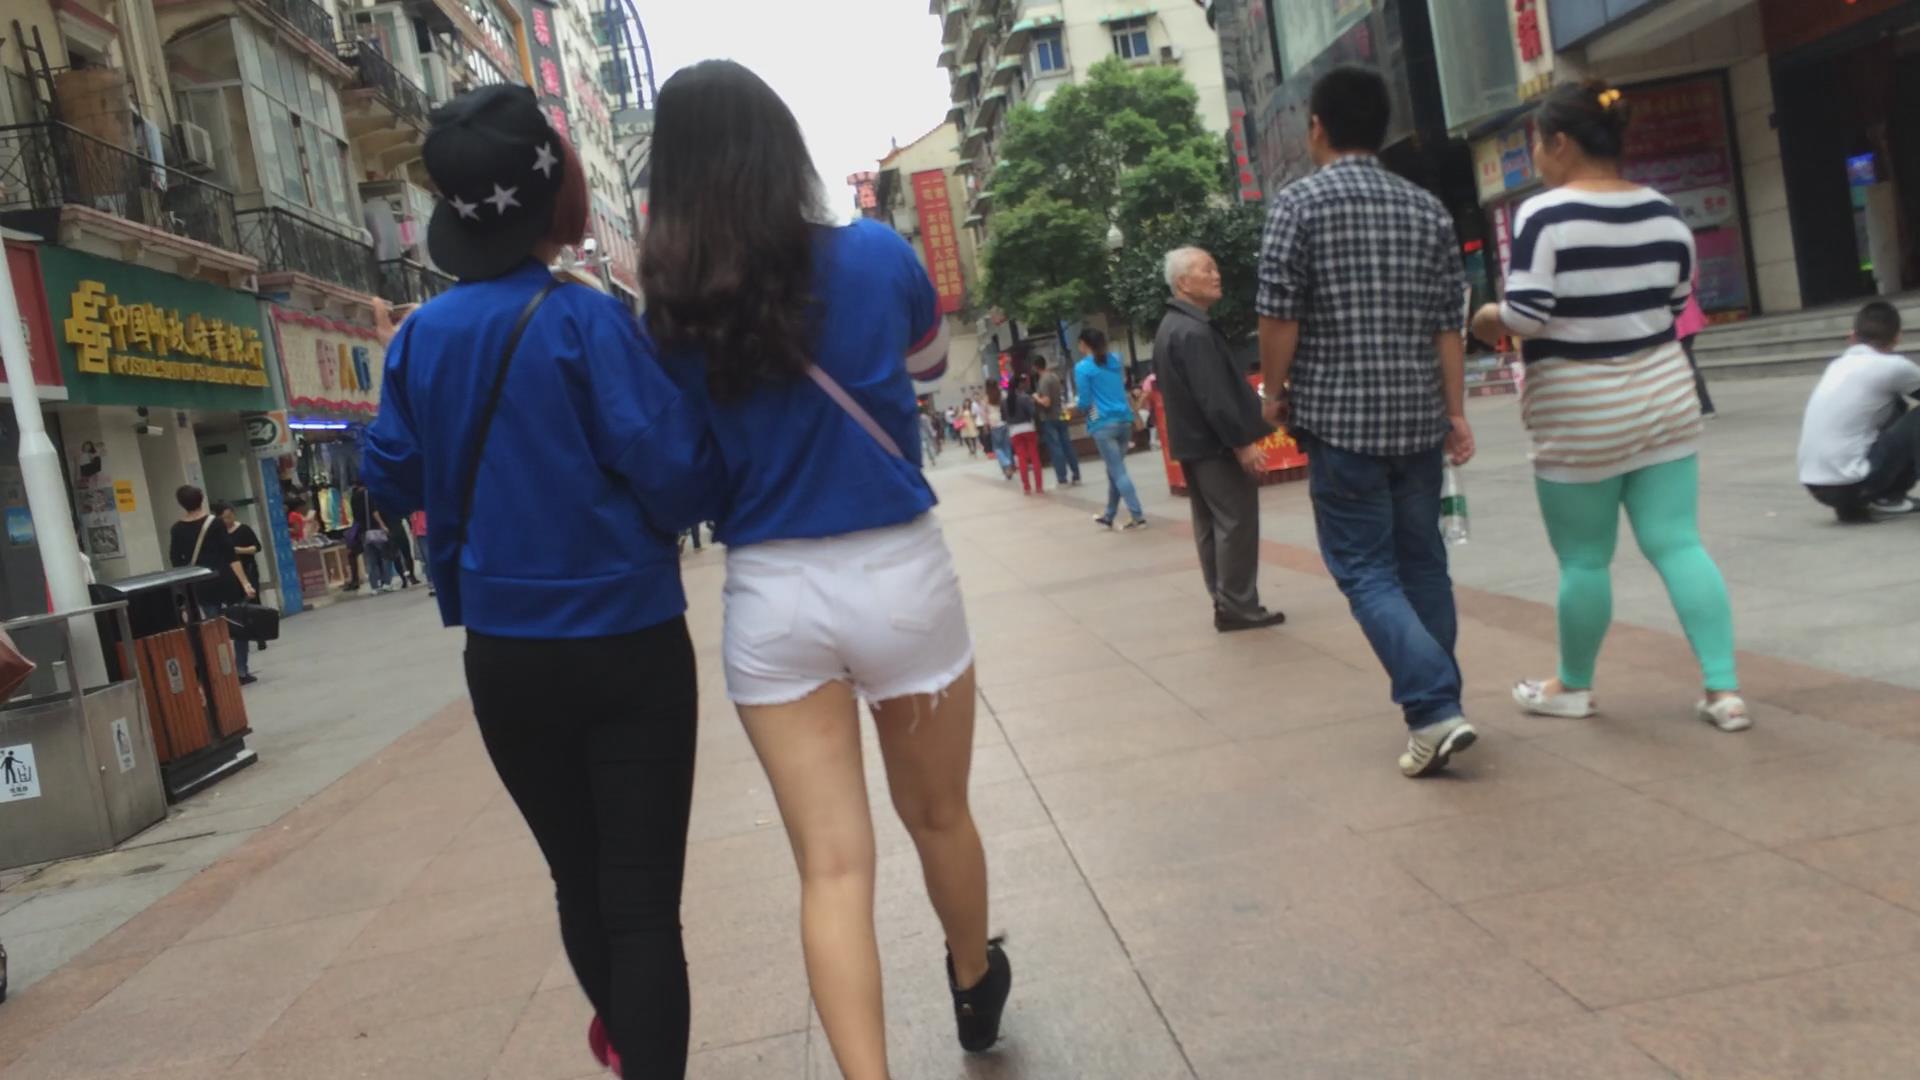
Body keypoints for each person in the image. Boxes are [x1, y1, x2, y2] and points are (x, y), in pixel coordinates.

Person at [641, 60, 1008, 1080]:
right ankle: (974, 980)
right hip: (899, 576)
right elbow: (928, 372)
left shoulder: (671, 310)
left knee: (833, 869)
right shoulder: (880, 254)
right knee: (939, 814)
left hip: (773, 596)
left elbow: (681, 462)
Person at [361, 84, 720, 1078]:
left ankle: (628, 1039)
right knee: (643, 905)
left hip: (508, 658)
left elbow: (390, 476)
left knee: (579, 880)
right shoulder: (589, 323)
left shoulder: (421, 338)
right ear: (555, 190)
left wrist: (407, 374)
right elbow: (682, 479)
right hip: (631, 643)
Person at [1470, 79, 1747, 734]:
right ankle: (1724, 690)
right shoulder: (1666, 213)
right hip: (1665, 400)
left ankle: (1572, 685)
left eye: (1540, 143)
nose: (1539, 156)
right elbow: (1675, 306)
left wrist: (1485, 318)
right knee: (1679, 544)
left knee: (1584, 560)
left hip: (1579, 413)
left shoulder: (1544, 215)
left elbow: (1526, 314)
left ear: (1561, 143)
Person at [1260, 67, 1479, 777]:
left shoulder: (1297, 205)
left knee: (1365, 570)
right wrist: (1455, 413)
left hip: (1340, 423)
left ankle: (1435, 709)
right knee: (1423, 564)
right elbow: (1449, 325)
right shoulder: (1427, 209)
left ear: (1317, 127)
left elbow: (1279, 315)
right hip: (1417, 421)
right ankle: (1443, 705)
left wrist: (1274, 394)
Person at [1158, 249, 1285, 631]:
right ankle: (1238, 605)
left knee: (1211, 525)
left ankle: (1226, 600)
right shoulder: (1194, 332)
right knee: (1235, 523)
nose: (1216, 275)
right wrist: (1242, 443)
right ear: (1183, 282)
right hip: (1215, 446)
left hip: (1195, 445)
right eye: (1207, 269)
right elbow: (1214, 396)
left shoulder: (1173, 327)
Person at [1798, 301, 1920, 522]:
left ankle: (1876, 498)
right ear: (1897, 337)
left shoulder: (1837, 366)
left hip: (1816, 486)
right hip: (1854, 483)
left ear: (1852, 336)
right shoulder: (1894, 366)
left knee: (1894, 404)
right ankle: (1886, 497)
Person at [170, 485, 256, 685]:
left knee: (213, 629)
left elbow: (176, 561)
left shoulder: (177, 529)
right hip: (225, 580)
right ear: (201, 499)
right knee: (238, 624)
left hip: (200, 584)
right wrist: (245, 583)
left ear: (181, 504)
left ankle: (222, 672)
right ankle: (241, 670)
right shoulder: (215, 523)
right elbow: (230, 555)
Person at [1074, 329, 1147, 530]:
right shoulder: (1115, 360)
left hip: (1102, 423)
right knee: (1114, 469)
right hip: (1124, 419)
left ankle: (1137, 515)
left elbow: (1085, 401)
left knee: (1118, 471)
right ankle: (1109, 515)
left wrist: (1084, 411)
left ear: (1084, 344)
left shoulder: (1082, 367)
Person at [215, 502, 267, 652]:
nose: (228, 520)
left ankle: (260, 636)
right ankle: (244, 636)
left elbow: (256, 547)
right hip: (230, 574)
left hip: (248, 569)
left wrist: (238, 550)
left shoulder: (244, 529)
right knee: (237, 606)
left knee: (254, 602)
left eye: (230, 516)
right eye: (224, 518)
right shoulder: (219, 534)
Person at [1032, 356, 1081, 486]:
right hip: (1061, 415)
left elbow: (1046, 402)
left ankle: (1062, 477)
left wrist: (1036, 397)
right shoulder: (1054, 377)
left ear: (1036, 367)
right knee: (1067, 445)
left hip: (1049, 417)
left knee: (1056, 447)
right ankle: (1076, 473)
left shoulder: (1043, 380)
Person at [1675, 270, 1717, 417]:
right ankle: (1704, 406)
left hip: (1677, 318)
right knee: (1687, 361)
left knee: (1687, 362)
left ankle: (1706, 406)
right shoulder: (1685, 261)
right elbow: (1694, 283)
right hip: (1690, 313)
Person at [1003, 374, 1043, 493]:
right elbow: (1033, 413)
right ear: (1019, 385)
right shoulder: (1025, 398)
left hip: (1014, 431)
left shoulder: (1004, 401)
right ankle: (1039, 486)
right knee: (1034, 457)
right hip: (1028, 428)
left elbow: (1004, 417)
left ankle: (1026, 487)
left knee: (1021, 459)